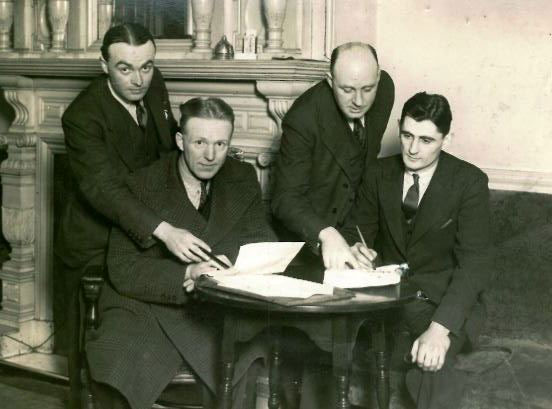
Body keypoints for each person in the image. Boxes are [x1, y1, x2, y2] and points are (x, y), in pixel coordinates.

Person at [56, 23, 214, 408]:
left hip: (144, 225)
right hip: (97, 238)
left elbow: (164, 146)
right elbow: (106, 191)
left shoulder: (153, 84)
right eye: (125, 68)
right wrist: (165, 231)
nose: (139, 79)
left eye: (147, 66)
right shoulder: (82, 116)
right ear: (103, 65)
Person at [85, 97, 278, 409]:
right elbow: (122, 267)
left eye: (220, 143)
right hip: (148, 303)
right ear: (180, 140)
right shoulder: (142, 184)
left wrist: (229, 265)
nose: (211, 155)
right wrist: (187, 273)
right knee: (119, 360)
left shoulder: (241, 177)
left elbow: (259, 237)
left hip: (213, 306)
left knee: (244, 352)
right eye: (200, 142)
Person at [344, 92, 492, 409]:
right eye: (407, 135)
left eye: (426, 140)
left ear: (446, 139)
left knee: (430, 361)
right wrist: (357, 249)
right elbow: (358, 231)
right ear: (399, 127)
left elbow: (474, 265)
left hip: (444, 303)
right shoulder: (377, 174)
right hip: (392, 302)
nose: (413, 149)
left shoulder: (469, 182)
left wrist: (440, 330)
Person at [271, 42, 394, 269]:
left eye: (367, 89)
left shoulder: (385, 90)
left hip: (355, 233)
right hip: (308, 244)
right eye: (347, 90)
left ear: (377, 79)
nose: (359, 101)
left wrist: (355, 239)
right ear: (330, 81)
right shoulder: (303, 119)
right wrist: (326, 234)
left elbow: (365, 171)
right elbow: (285, 198)